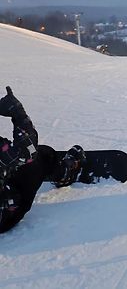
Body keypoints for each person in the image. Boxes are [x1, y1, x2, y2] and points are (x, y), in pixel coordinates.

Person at [0, 86, 86, 233]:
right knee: (40, 157)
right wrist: (18, 113)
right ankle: (67, 173)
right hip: (5, 214)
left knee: (19, 159)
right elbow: (27, 152)